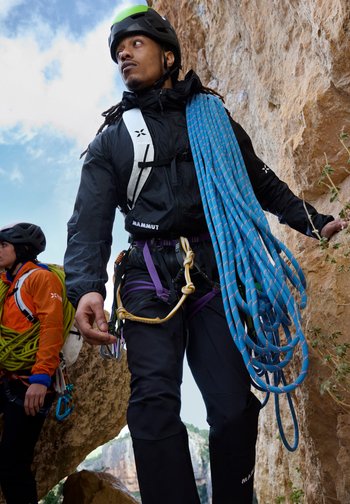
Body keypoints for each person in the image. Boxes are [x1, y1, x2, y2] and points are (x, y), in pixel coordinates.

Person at [64, 5, 348, 503]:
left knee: (234, 406)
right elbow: (88, 220)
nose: (123, 57)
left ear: (168, 54)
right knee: (152, 406)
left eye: (135, 45)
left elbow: (258, 182)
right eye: (117, 52)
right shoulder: (112, 139)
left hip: (216, 269)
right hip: (147, 277)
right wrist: (87, 286)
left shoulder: (213, 117)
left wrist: (313, 220)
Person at [0, 222, 64, 504]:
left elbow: (52, 327)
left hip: (31, 386)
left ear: (22, 249)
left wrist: (41, 379)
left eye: (3, 245)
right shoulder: (6, 282)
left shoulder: (40, 279)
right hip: (7, 379)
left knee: (13, 467)